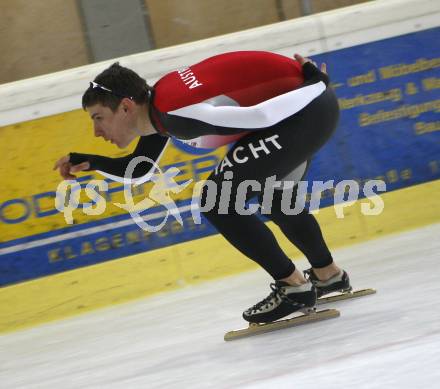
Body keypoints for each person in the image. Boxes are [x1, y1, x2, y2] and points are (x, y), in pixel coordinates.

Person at [54, 51, 351, 324]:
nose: (96, 131)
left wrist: (315, 85)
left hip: (302, 107)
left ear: (126, 107)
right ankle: (328, 275)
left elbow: (262, 116)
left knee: (216, 199)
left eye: (98, 118)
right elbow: (141, 166)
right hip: (305, 109)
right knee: (274, 197)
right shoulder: (158, 108)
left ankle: (294, 288)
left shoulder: (176, 113)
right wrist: (91, 162)